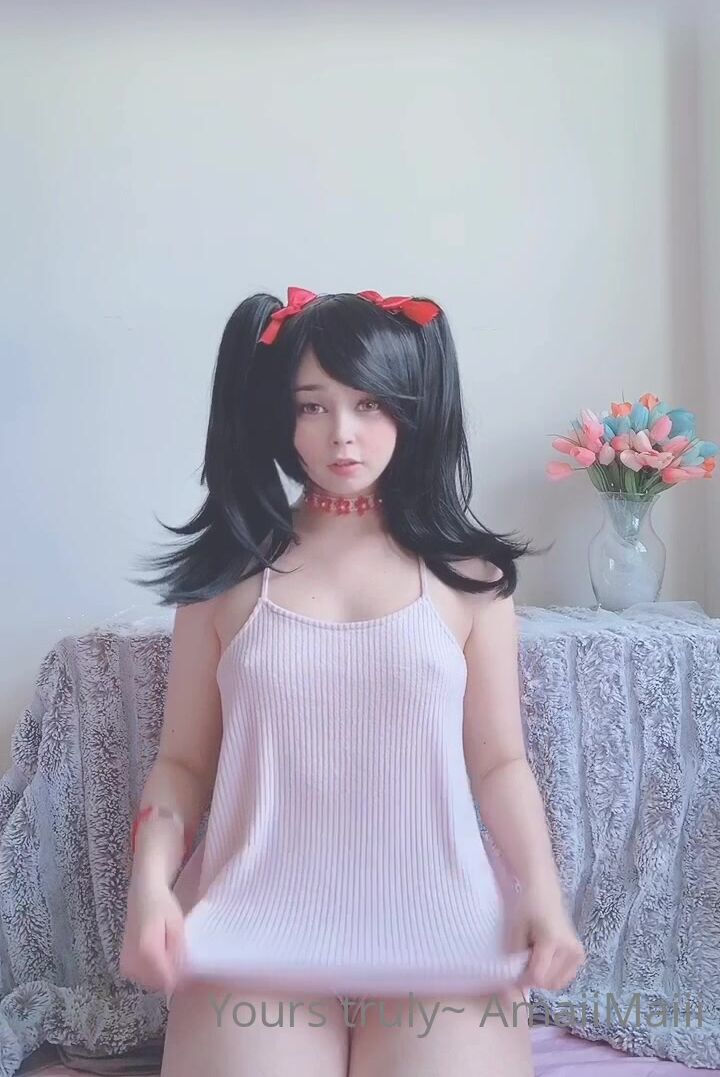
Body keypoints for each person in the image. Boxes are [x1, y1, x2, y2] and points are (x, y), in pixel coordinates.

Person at [119, 286, 585, 1077]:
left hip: (444, 933)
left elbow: (500, 761)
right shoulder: (225, 577)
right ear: (280, 416)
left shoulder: (470, 578)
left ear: (410, 407)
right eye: (313, 405)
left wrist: (543, 893)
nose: (342, 432)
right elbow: (184, 764)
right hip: (255, 932)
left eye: (369, 403)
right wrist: (150, 885)